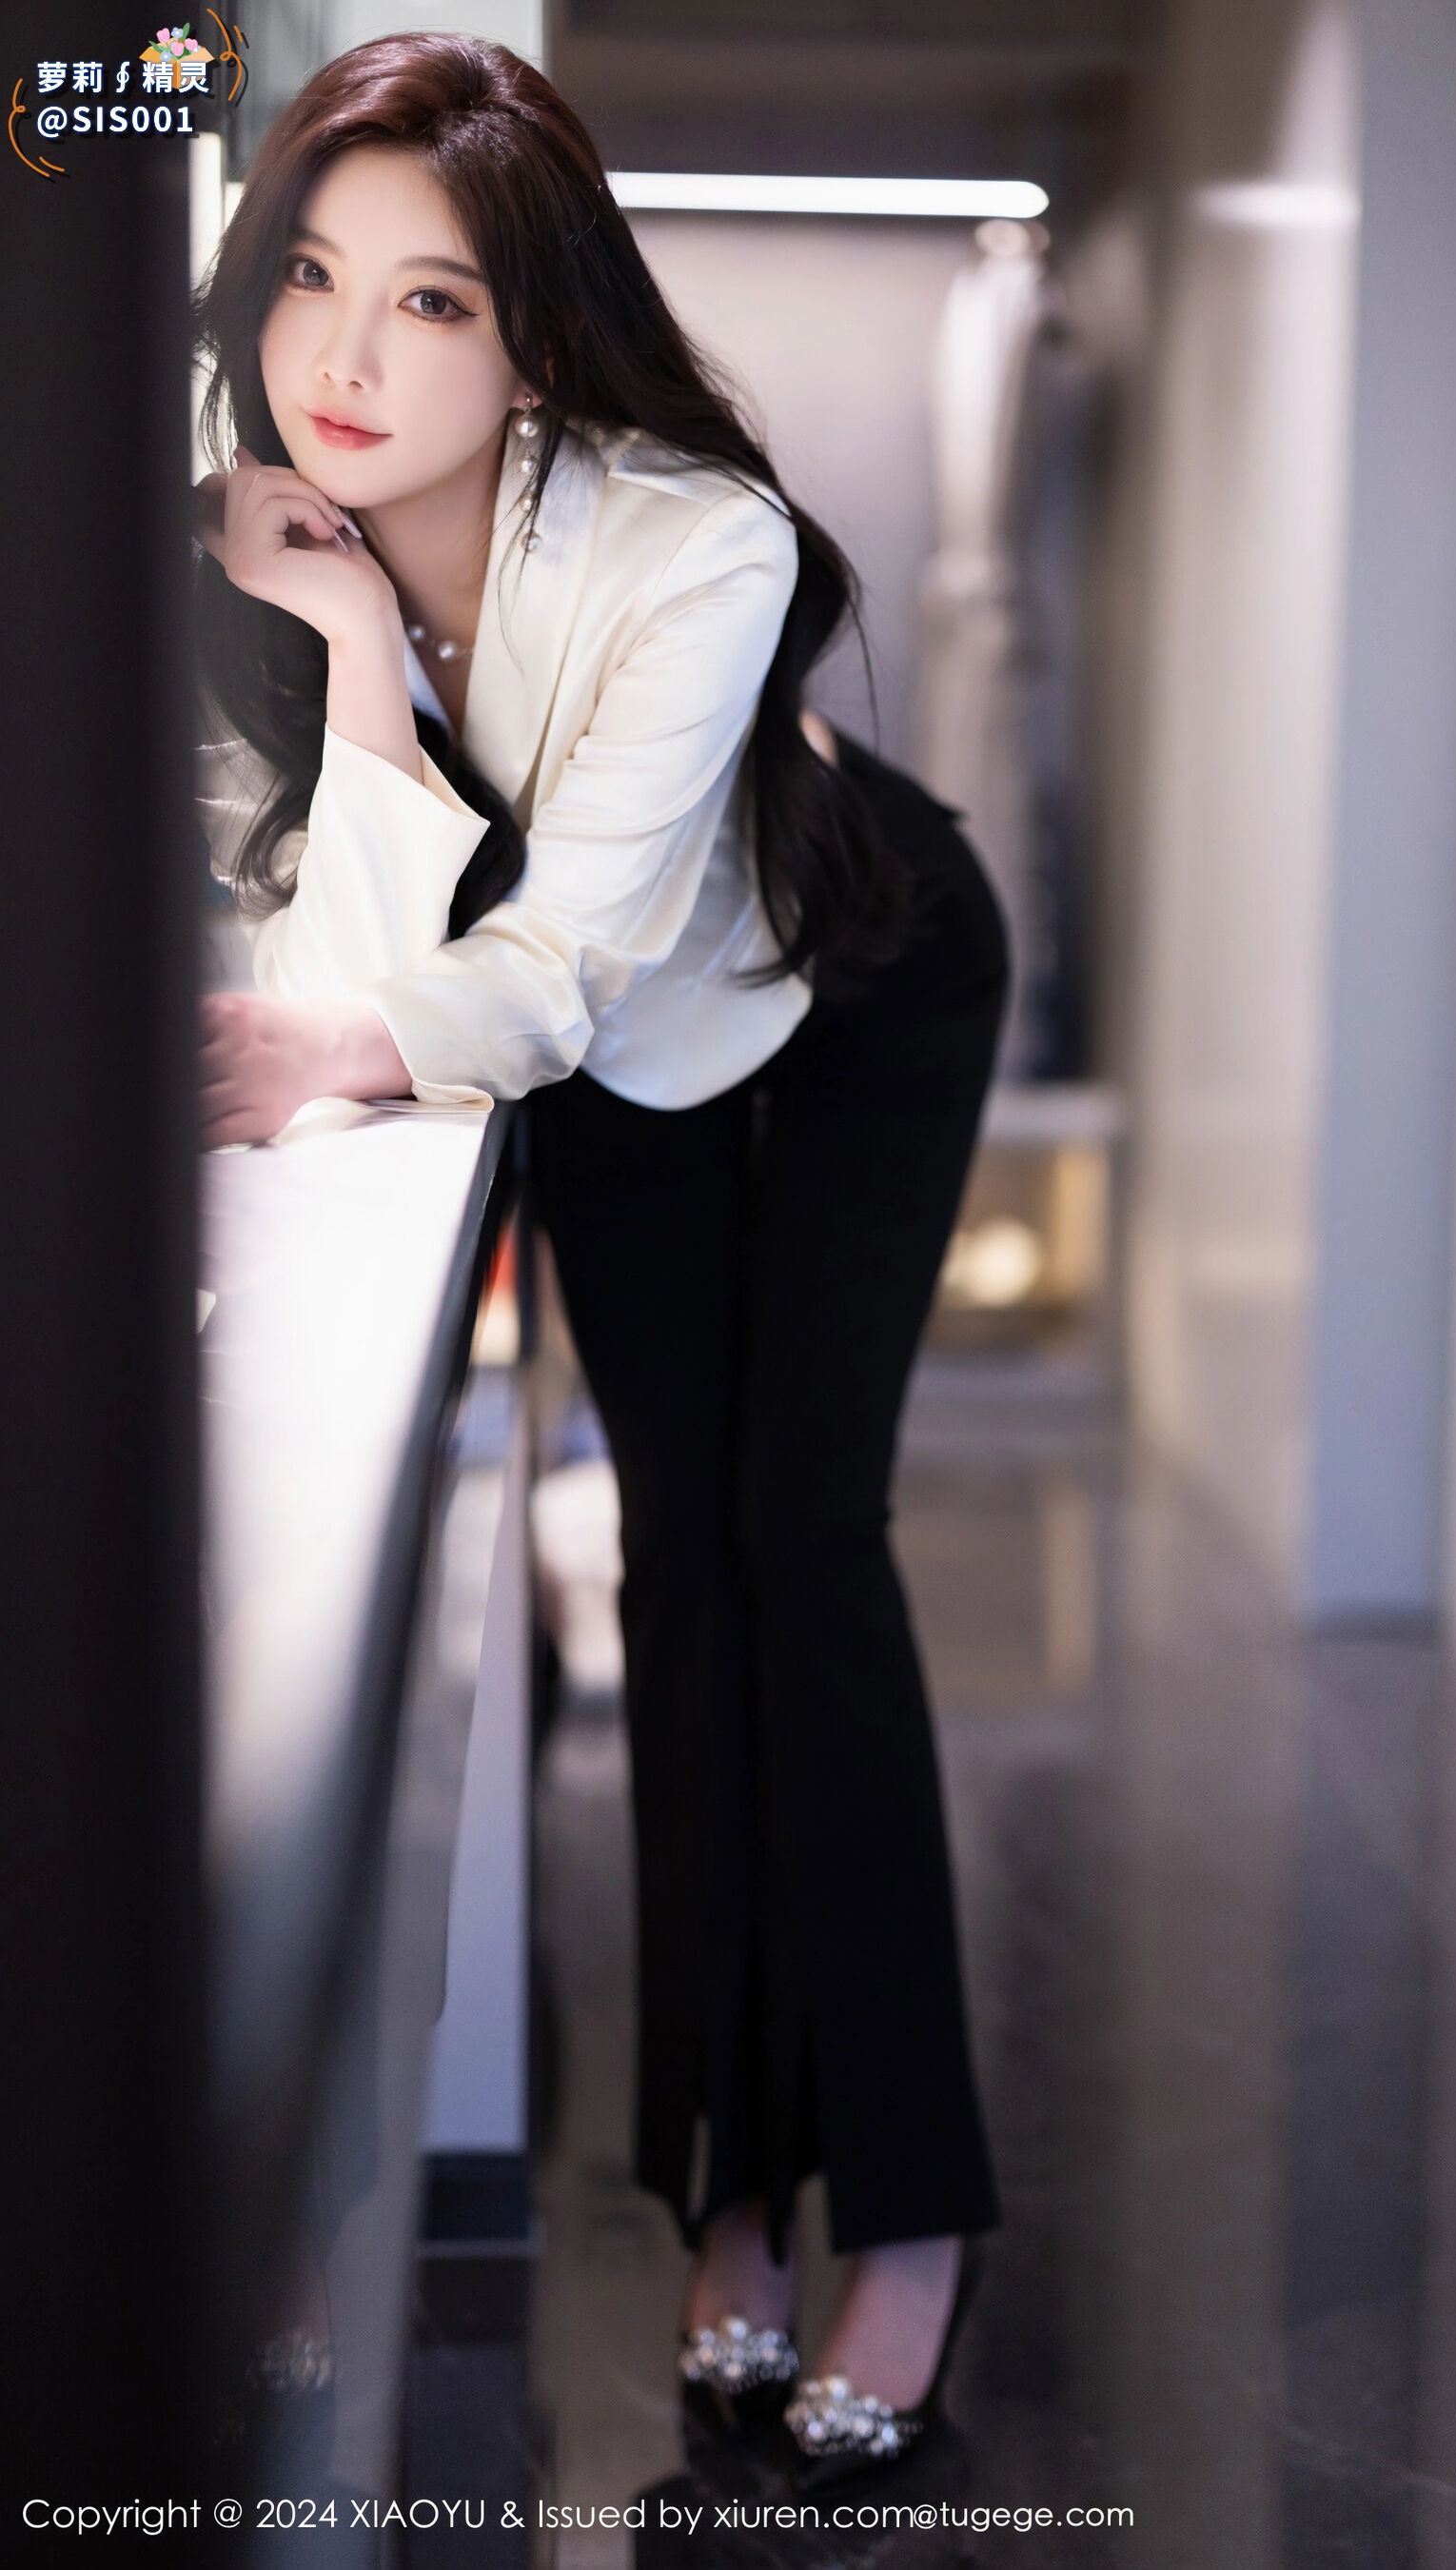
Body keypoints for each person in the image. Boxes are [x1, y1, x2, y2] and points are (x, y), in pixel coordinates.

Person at [192, 32, 1004, 2483]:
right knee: (672, 1566)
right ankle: (728, 2195)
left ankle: (914, 2217)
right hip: (621, 1072)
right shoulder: (268, 535)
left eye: (432, 301)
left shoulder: (696, 542)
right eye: (312, 275)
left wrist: (331, 1032)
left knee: (800, 1546)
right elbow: (390, 953)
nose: (348, 355)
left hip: (852, 981)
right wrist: (347, 646)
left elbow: (528, 977)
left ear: (536, 331)